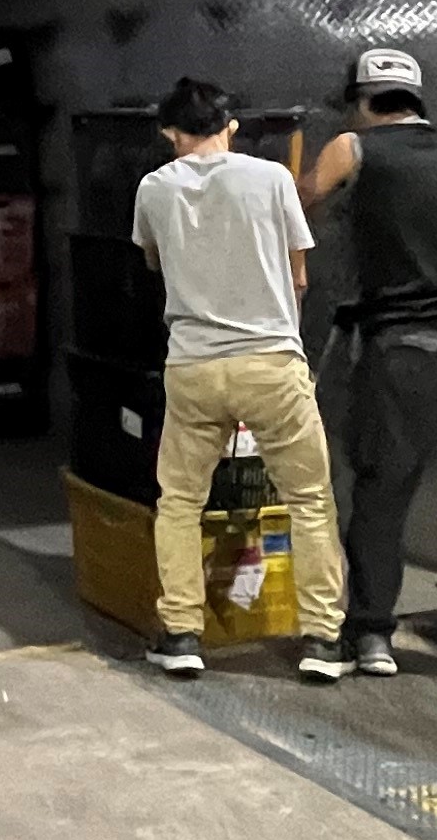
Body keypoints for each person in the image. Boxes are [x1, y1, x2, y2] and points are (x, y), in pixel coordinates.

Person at [300, 44, 437, 686]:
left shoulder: (353, 149)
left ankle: (372, 636)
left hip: (406, 344)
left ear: (363, 102)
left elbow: (297, 204)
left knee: (384, 488)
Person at [128, 74, 348, 681]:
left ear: (169, 133)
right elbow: (298, 274)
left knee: (180, 502)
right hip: (271, 362)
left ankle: (180, 635)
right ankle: (323, 641)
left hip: (194, 365)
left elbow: (153, 260)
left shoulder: (153, 188)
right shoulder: (272, 178)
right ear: (230, 127)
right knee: (308, 500)